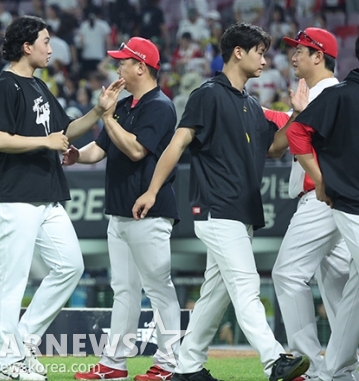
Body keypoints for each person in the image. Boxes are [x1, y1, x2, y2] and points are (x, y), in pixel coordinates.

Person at [132, 23, 310, 381]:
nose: (265, 58)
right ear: (238, 52)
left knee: (215, 294)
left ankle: (187, 366)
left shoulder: (250, 103)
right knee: (246, 285)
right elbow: (177, 144)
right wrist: (152, 190)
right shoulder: (207, 94)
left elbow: (274, 147)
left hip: (240, 211)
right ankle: (275, 359)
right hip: (215, 207)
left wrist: (295, 115)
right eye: (259, 51)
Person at [0, 15, 124, 381]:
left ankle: (23, 342)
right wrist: (45, 141)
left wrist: (98, 112)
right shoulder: (4, 85)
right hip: (13, 195)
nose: (50, 47)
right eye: (44, 40)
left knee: (71, 266)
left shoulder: (38, 86)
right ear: (26, 46)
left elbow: (65, 131)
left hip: (46, 194)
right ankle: (6, 365)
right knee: (13, 279)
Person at [66, 37, 182, 381]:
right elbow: (98, 150)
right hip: (119, 211)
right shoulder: (125, 105)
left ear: (140, 67)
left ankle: (169, 363)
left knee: (159, 288)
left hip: (150, 210)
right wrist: (76, 155)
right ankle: (114, 363)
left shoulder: (160, 106)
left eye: (123, 62)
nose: (118, 68)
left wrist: (106, 115)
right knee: (125, 290)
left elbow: (135, 150)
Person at [263, 27, 356, 381]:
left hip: (322, 197)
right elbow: (276, 142)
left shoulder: (331, 93)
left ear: (320, 56)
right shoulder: (314, 94)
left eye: (301, 49)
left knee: (288, 273)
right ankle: (344, 370)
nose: (294, 55)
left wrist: (297, 115)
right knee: (338, 284)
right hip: (331, 198)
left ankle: (310, 365)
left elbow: (287, 143)